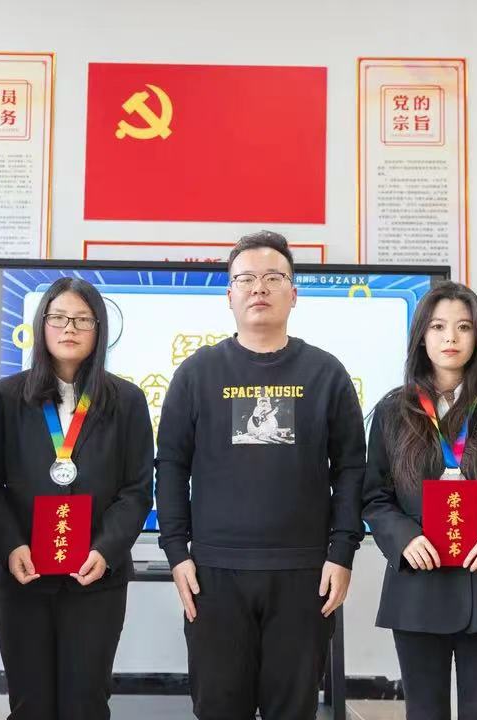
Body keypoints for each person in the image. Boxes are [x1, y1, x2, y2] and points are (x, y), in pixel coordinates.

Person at [156, 230, 366, 719]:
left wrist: (342, 552)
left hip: (304, 573)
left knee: (292, 709)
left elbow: (352, 469)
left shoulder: (326, 374)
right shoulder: (196, 373)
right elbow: (170, 467)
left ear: (294, 293)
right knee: (218, 707)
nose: (259, 288)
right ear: (228, 294)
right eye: (246, 278)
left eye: (273, 277)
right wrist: (176, 552)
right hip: (213, 574)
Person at [0, 277, 153, 720]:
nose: (69, 328)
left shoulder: (127, 400)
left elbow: (136, 489)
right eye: (58, 318)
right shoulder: (4, 396)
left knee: (86, 702)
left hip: (94, 576)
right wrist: (10, 546)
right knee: (29, 704)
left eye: (82, 320)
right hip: (22, 572)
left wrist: (106, 549)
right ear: (41, 326)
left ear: (99, 330)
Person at [363, 282, 477, 719]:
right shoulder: (392, 411)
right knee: (425, 710)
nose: (451, 338)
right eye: (438, 327)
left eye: (464, 327)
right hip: (418, 586)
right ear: (422, 336)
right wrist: (403, 538)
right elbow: (375, 495)